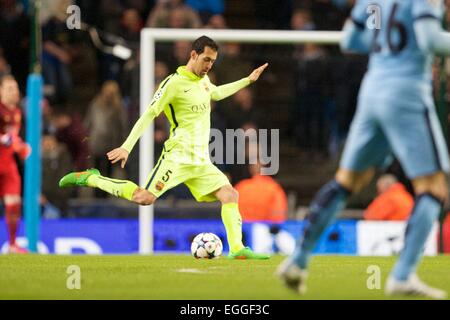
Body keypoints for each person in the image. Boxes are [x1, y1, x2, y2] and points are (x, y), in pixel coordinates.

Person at [277, 0, 450, 299]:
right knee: (434, 188)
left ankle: (298, 261)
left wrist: (387, 49)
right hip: (407, 91)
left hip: (373, 91)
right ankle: (402, 275)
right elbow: (429, 38)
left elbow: (351, 40)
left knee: (346, 182)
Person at [59, 36, 270, 260]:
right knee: (144, 198)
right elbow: (149, 114)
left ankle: (237, 248)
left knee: (230, 194)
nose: (209, 65)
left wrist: (248, 80)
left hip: (200, 160)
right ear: (193, 55)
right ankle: (92, 178)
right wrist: (127, 147)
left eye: (213, 61)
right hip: (177, 157)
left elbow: (216, 93)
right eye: (206, 59)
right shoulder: (172, 84)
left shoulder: (204, 80)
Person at [0, 75, 30, 253]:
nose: (15, 92)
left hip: (8, 164)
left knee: (14, 203)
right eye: (10, 88)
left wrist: (22, 146)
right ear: (1, 91)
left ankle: (12, 244)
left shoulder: (17, 112)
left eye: (16, 88)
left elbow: (13, 138)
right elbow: (7, 138)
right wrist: (6, 139)